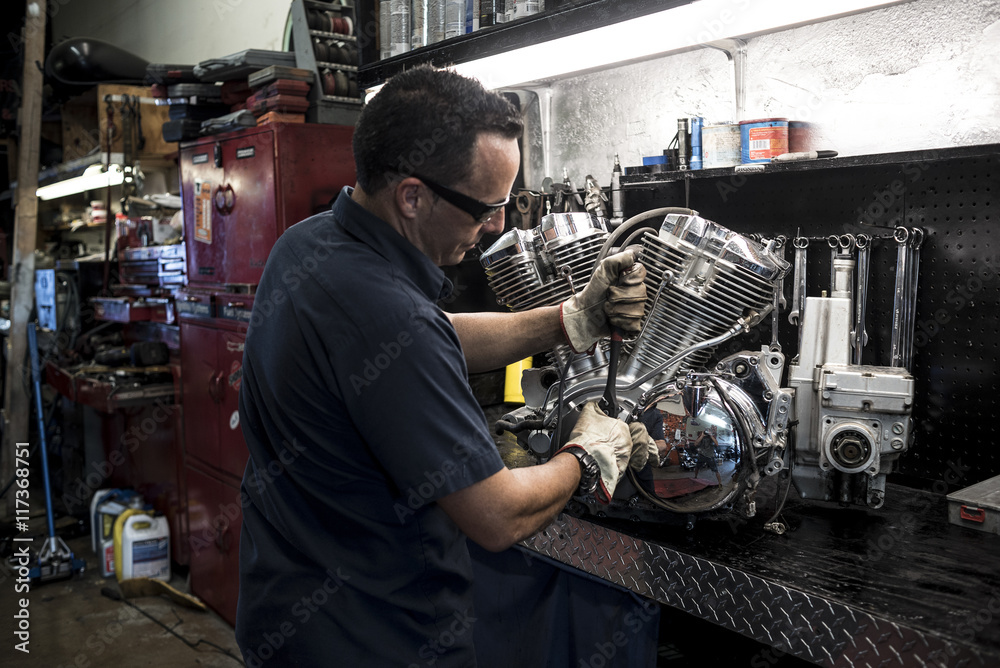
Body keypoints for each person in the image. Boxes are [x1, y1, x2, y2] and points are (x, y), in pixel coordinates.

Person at [235, 65, 655, 666]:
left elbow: (432, 337)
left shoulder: (307, 247)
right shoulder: (390, 317)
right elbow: (497, 514)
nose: (498, 227)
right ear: (412, 196)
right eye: (485, 207)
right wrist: (589, 455)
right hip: (382, 639)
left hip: (287, 614)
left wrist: (571, 318)